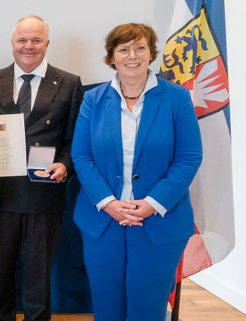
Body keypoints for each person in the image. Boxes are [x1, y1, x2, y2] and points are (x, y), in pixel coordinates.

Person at [72, 23, 202, 320]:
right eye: (124, 49)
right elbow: (81, 156)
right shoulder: (93, 99)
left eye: (140, 47)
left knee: (148, 309)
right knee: (107, 307)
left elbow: (189, 157)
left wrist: (151, 204)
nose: (133, 55)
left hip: (159, 221)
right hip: (103, 220)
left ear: (151, 53)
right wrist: (109, 202)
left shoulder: (177, 98)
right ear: (112, 56)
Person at [0, 15, 83, 321]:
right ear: (12, 44)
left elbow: (76, 138)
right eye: (22, 40)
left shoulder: (70, 83)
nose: (29, 46)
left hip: (44, 195)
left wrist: (64, 164)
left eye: (36, 40)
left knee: (38, 275)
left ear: (47, 43)